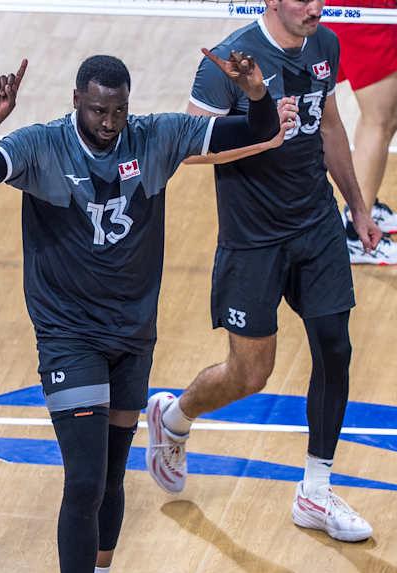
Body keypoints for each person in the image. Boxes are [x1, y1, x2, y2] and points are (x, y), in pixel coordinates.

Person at [0, 54, 290, 573]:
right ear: (76, 99)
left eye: (117, 111)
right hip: (68, 333)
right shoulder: (42, 145)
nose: (107, 122)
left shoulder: (153, 137)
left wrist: (255, 94)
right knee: (81, 480)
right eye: (97, 110)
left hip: (132, 333)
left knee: (109, 478)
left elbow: (251, 134)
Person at [147, 0, 383, 544]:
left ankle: (315, 491)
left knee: (335, 346)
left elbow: (328, 125)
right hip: (253, 240)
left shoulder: (324, 43)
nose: (316, 8)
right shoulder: (229, 62)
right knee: (251, 375)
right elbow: (188, 147)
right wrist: (256, 128)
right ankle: (175, 415)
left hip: (316, 223)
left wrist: (359, 207)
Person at [323, 0, 397, 265]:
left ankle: (367, 208)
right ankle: (358, 231)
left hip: (362, 10)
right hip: (361, 12)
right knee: (380, 121)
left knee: (386, 120)